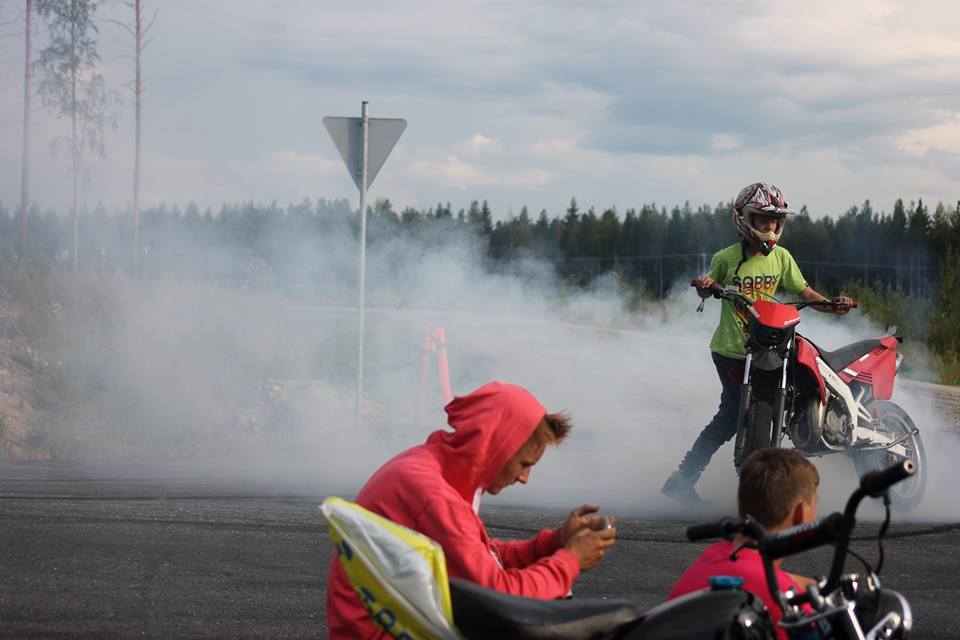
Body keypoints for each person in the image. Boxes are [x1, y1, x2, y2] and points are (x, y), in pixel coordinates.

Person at [326, 380, 617, 638]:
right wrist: (570, 561)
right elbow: (502, 599)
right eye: (524, 464)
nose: (524, 478)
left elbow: (484, 559)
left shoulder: (434, 468)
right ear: (498, 446)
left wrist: (556, 542)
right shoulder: (435, 497)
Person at [661, 182, 853, 505]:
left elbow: (804, 293)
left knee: (761, 409)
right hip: (731, 351)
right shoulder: (726, 258)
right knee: (735, 415)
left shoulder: (782, 258)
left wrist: (832, 306)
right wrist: (706, 285)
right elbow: (707, 286)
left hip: (769, 347)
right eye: (763, 219)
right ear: (743, 218)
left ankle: (743, 479)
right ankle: (693, 479)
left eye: (775, 220)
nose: (770, 226)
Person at [668, 448, 819, 640]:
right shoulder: (780, 601)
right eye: (815, 505)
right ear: (801, 513)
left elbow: (750, 573)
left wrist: (808, 583)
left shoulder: (716, 556)